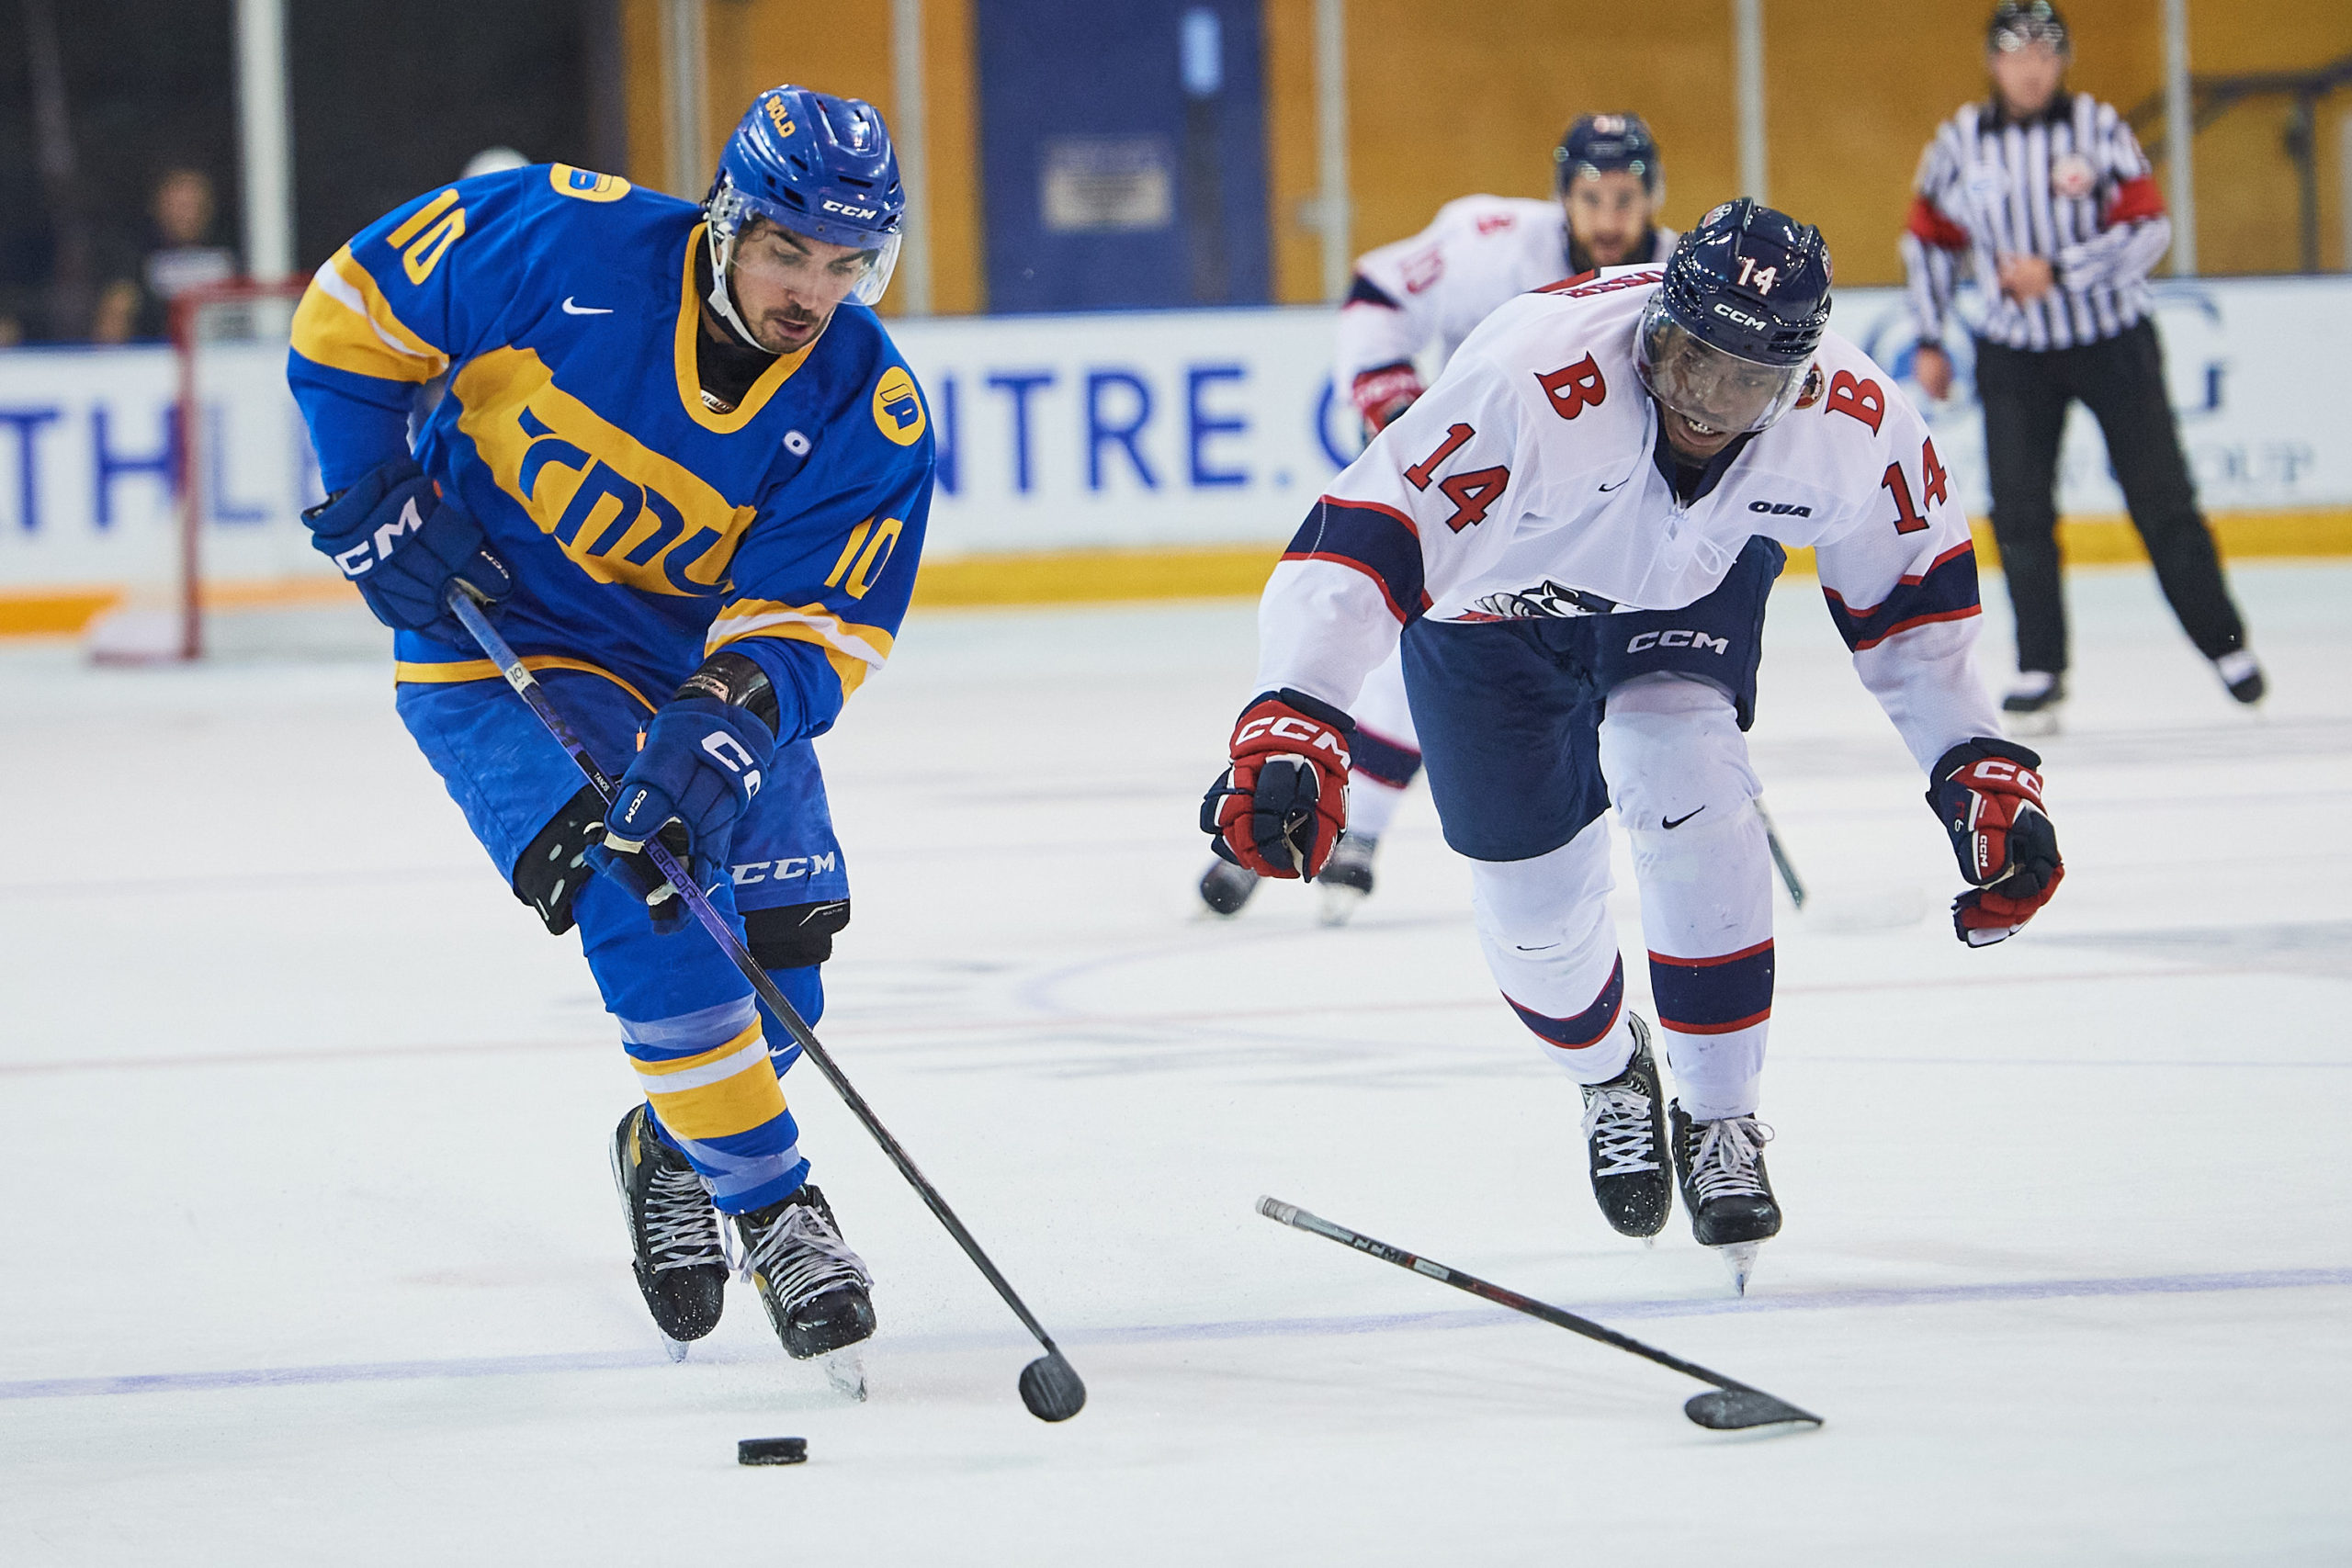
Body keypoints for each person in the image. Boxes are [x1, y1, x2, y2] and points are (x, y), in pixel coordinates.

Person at [1203, 201, 2065, 1290]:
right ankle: (1611, 1072)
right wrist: (1298, 709)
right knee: (1533, 923)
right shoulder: (1529, 385)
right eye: (1686, 359)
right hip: (1487, 622)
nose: (1703, 404)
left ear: (1796, 380)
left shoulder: (1854, 419)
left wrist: (1977, 768)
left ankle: (1721, 1117)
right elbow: (1361, 540)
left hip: (1684, 593)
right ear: (1654, 319)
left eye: (1743, 381)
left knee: (1681, 761)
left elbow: (1916, 614)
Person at [285, 87, 933, 1371]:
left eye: (846, 262)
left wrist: (733, 719)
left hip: (692, 671)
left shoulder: (870, 403)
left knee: (786, 956)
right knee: (639, 882)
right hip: (503, 646)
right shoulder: (557, 240)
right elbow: (350, 312)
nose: (813, 289)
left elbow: (822, 622)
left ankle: (670, 1138)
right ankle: (775, 1206)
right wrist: (369, 487)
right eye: (788, 249)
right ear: (723, 223)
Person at [1200, 113, 1698, 927]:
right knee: (1371, 626)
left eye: (1628, 197)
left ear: (1655, 198)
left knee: (1456, 661)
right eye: (1591, 197)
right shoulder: (1490, 240)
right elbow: (1379, 288)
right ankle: (1309, 812)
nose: (1610, 219)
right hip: (1465, 485)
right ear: (1560, 196)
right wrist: (1393, 400)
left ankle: (1324, 825)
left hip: (1583, 520)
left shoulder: (1683, 278)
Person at [1902, 0, 2261, 733]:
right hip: (2013, 353)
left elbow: (2148, 225)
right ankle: (2042, 667)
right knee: (2020, 510)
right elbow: (1930, 240)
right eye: (2016, 54)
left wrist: (2061, 272)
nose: (2031, 68)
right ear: (1995, 62)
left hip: (2111, 342)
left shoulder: (2097, 128)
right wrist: (1931, 335)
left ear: (2061, 61)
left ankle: (2226, 644)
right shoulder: (1960, 143)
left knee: (2161, 499)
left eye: (2044, 53)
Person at [92, 168, 238, 344]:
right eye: (179, 206)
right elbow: (115, 314)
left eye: (194, 205)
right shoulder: (137, 254)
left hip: (227, 356)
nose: (187, 215)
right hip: (155, 359)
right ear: (158, 206)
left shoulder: (232, 248)